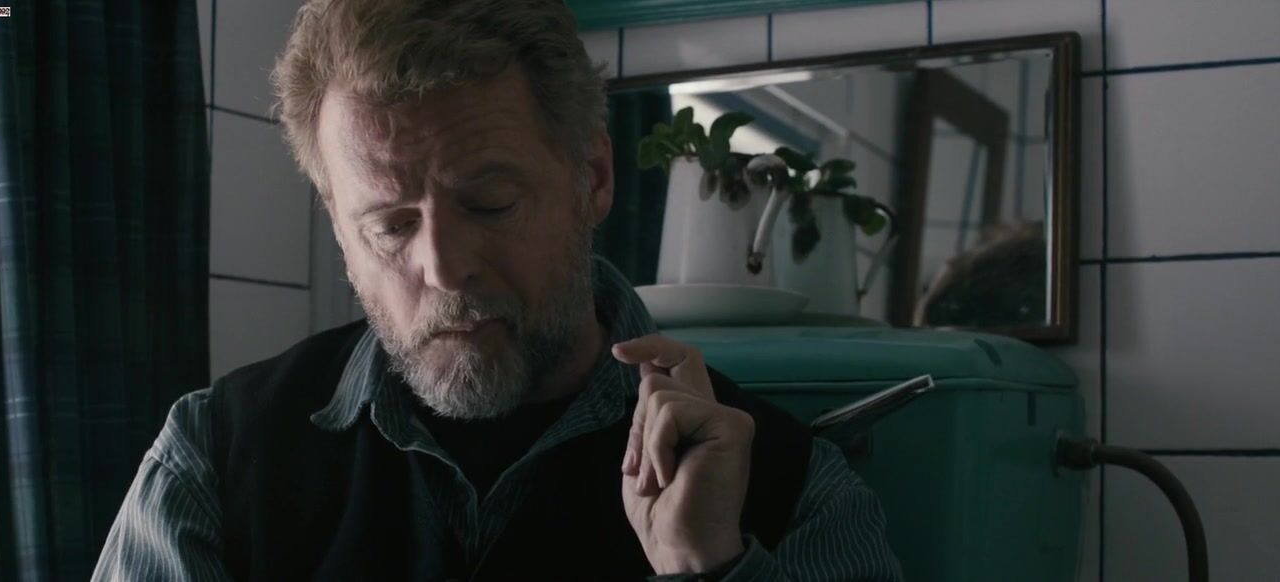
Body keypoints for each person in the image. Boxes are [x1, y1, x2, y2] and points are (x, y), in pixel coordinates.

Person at [93, 1, 903, 579]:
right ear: (339, 229)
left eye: (489, 203)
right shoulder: (213, 461)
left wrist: (709, 569)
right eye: (390, 226)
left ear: (592, 177)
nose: (445, 268)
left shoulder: (792, 491)